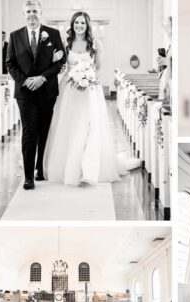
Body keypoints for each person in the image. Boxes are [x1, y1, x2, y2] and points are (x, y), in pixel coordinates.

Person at [44, 10, 136, 185]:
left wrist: (86, 74)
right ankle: (68, 166)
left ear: (87, 26)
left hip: (89, 90)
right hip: (69, 89)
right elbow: (61, 65)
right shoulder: (66, 43)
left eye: (82, 23)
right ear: (72, 25)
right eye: (76, 22)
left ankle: (88, 167)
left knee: (88, 126)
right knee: (69, 125)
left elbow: (98, 67)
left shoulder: (95, 44)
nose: (79, 26)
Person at [6, 0, 66, 189]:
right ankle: (28, 176)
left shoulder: (54, 34)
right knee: (29, 132)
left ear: (41, 13)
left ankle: (41, 168)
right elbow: (10, 63)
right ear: (24, 14)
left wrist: (42, 78)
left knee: (44, 130)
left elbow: (60, 62)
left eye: (35, 11)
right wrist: (25, 81)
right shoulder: (15, 36)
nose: (32, 14)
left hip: (47, 91)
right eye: (28, 11)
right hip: (24, 93)